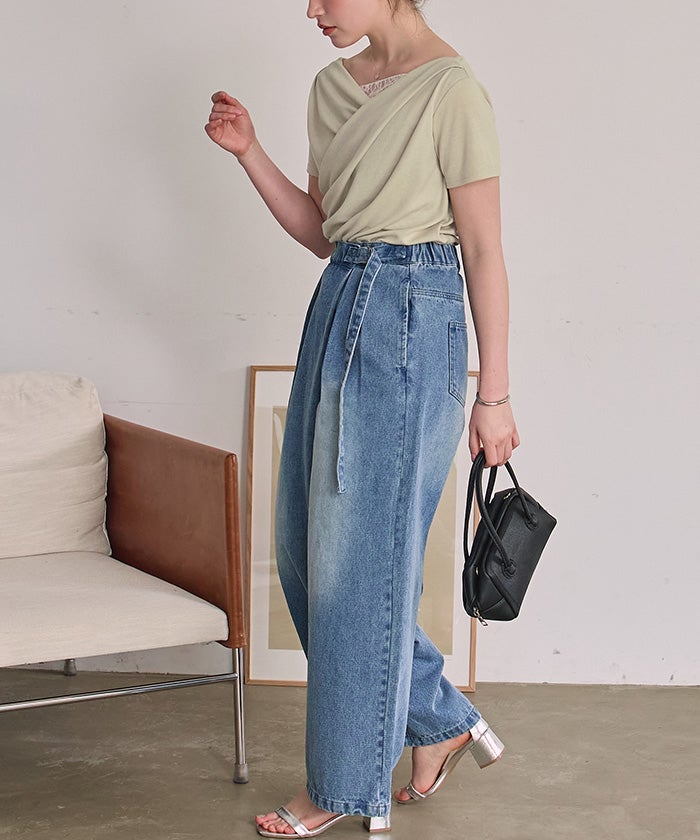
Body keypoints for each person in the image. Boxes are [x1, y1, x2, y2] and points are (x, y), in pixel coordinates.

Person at [205, 0, 520, 835]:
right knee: (307, 559)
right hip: (339, 299)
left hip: (414, 314)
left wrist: (495, 393)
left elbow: (483, 248)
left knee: (355, 568)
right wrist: (250, 153)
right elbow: (323, 232)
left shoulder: (453, 90)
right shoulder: (330, 88)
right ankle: (438, 719)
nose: (312, 9)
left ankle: (340, 789)